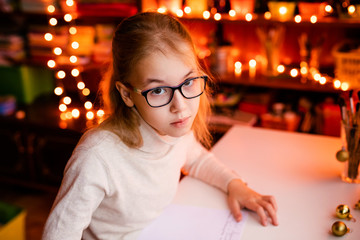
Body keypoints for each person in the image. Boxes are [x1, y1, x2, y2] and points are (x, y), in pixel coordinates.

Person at [42, 12, 278, 240]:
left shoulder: (173, 128)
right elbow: (60, 233)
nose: (180, 106)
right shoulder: (97, 156)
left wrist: (235, 185)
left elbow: (196, 159)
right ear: (126, 94)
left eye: (187, 82)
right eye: (157, 90)